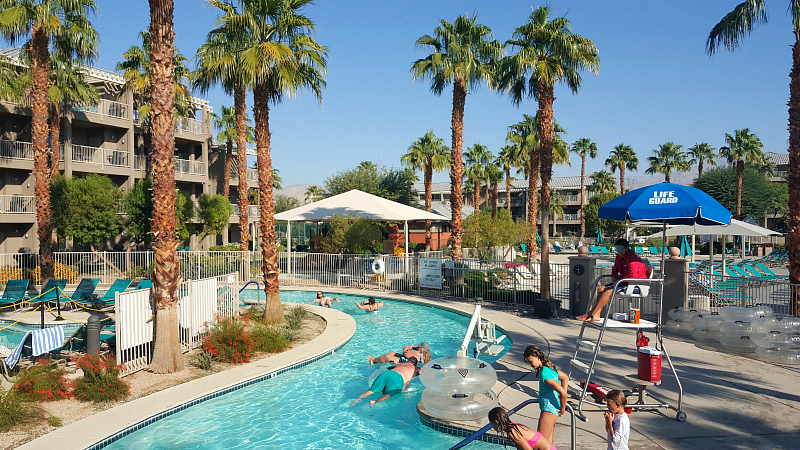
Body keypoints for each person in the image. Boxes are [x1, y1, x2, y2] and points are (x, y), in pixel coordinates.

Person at [577, 238, 648, 322]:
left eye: (621, 249)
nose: (619, 251)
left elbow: (633, 275)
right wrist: (614, 278)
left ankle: (591, 313)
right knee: (601, 288)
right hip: (625, 282)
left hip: (636, 284)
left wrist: (618, 281)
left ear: (627, 248)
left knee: (608, 291)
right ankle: (596, 315)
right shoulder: (619, 256)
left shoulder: (631, 258)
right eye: (617, 249)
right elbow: (615, 269)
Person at [523, 345, 568, 445]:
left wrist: (562, 409)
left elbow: (564, 393)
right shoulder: (550, 369)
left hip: (549, 411)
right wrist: (560, 400)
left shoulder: (545, 374)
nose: (530, 365)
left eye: (531, 362)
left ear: (538, 357)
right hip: (551, 410)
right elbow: (565, 378)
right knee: (548, 443)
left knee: (539, 443)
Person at [350, 356, 421, 407]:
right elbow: (424, 373)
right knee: (388, 394)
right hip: (398, 378)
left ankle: (356, 400)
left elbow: (389, 366)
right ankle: (374, 402)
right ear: (415, 363)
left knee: (371, 390)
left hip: (387, 373)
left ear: (407, 361)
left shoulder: (399, 364)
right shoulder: (416, 368)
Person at [488, 407, 557, 450]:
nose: (492, 426)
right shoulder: (513, 426)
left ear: (496, 422)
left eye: (491, 423)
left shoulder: (513, 432)